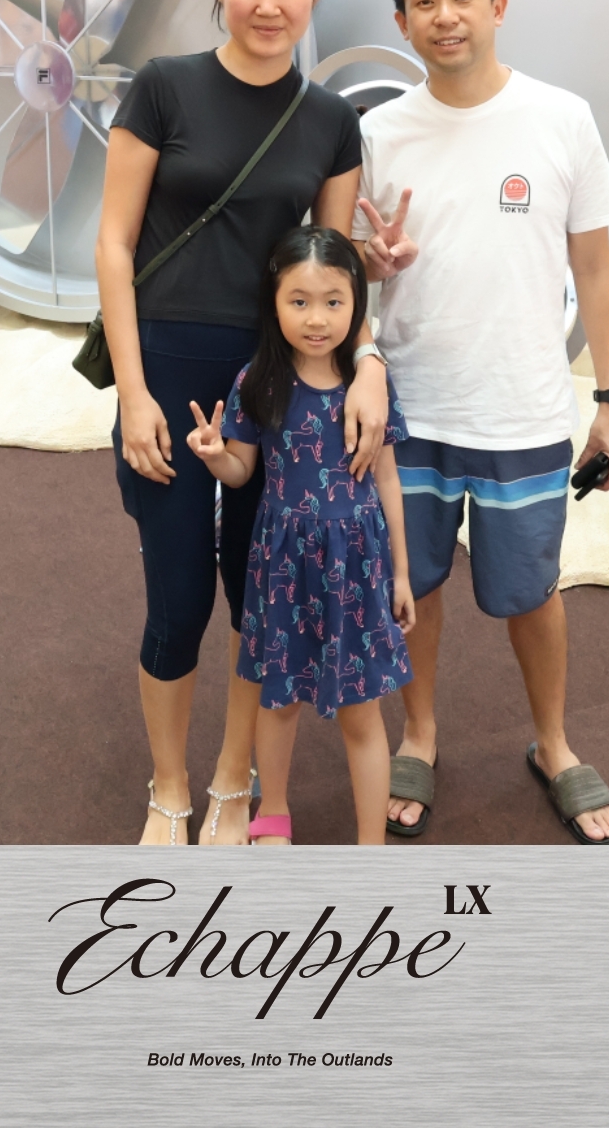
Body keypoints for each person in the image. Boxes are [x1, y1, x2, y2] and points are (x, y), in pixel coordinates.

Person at [95, 0, 394, 846]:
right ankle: (169, 785)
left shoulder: (330, 120)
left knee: (259, 598)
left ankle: (234, 779)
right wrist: (134, 393)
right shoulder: (163, 86)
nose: (270, 5)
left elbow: (334, 276)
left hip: (275, 383)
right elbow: (113, 244)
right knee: (178, 594)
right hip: (169, 369)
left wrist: (369, 356)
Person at [354, 0, 609, 845]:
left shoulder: (562, 118)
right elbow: (350, 272)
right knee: (415, 583)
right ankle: (420, 735)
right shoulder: (378, 133)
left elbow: (595, 271)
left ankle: (554, 743)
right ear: (402, 20)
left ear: (498, 7)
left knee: (532, 593)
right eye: (425, 2)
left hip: (523, 408)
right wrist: (372, 264)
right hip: (413, 408)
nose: (445, 16)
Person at [186, 225, 415, 846]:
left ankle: (371, 848)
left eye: (334, 301)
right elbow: (241, 472)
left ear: (356, 303)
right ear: (275, 302)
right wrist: (213, 454)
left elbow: (388, 480)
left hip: (356, 565)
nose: (317, 318)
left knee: (362, 712)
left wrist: (401, 573)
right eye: (300, 301)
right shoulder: (258, 381)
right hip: (283, 563)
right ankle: (274, 815)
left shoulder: (370, 388)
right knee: (278, 700)